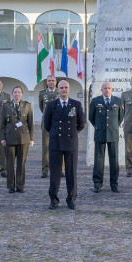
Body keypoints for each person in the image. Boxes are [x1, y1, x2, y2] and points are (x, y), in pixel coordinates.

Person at [43, 79, 86, 210]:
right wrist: (55, 134)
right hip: (56, 142)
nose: (64, 90)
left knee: (71, 172)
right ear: (57, 89)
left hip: (71, 143)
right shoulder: (51, 105)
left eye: (66, 88)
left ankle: (71, 199)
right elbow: (47, 124)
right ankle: (54, 199)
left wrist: (73, 133)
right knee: (55, 173)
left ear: (69, 89)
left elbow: (81, 123)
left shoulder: (76, 105)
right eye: (61, 88)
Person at [88, 81, 123, 193]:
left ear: (111, 90)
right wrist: (99, 126)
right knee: (98, 160)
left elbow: (120, 117)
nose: (107, 90)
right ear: (101, 89)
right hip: (100, 133)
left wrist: (112, 127)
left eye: (109, 88)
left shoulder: (117, 101)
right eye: (105, 88)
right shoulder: (95, 101)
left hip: (113, 133)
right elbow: (91, 117)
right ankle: (97, 183)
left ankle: (114, 184)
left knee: (114, 160)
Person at [0, 85, 33, 193]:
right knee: (9, 163)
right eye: (15, 92)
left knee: (21, 163)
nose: (17, 94)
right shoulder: (6, 106)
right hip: (9, 138)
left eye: (19, 92)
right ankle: (10, 186)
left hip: (24, 138)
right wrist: (2, 138)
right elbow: (2, 124)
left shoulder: (27, 106)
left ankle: (20, 185)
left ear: (22, 94)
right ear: (12, 94)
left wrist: (31, 138)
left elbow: (31, 123)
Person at [37, 75, 59, 178]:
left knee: (59, 146)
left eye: (53, 81)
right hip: (46, 123)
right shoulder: (42, 93)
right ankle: (45, 170)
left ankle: (60, 169)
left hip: (58, 123)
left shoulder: (59, 92)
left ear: (56, 82)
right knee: (46, 147)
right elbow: (42, 107)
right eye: (49, 81)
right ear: (47, 82)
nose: (51, 83)